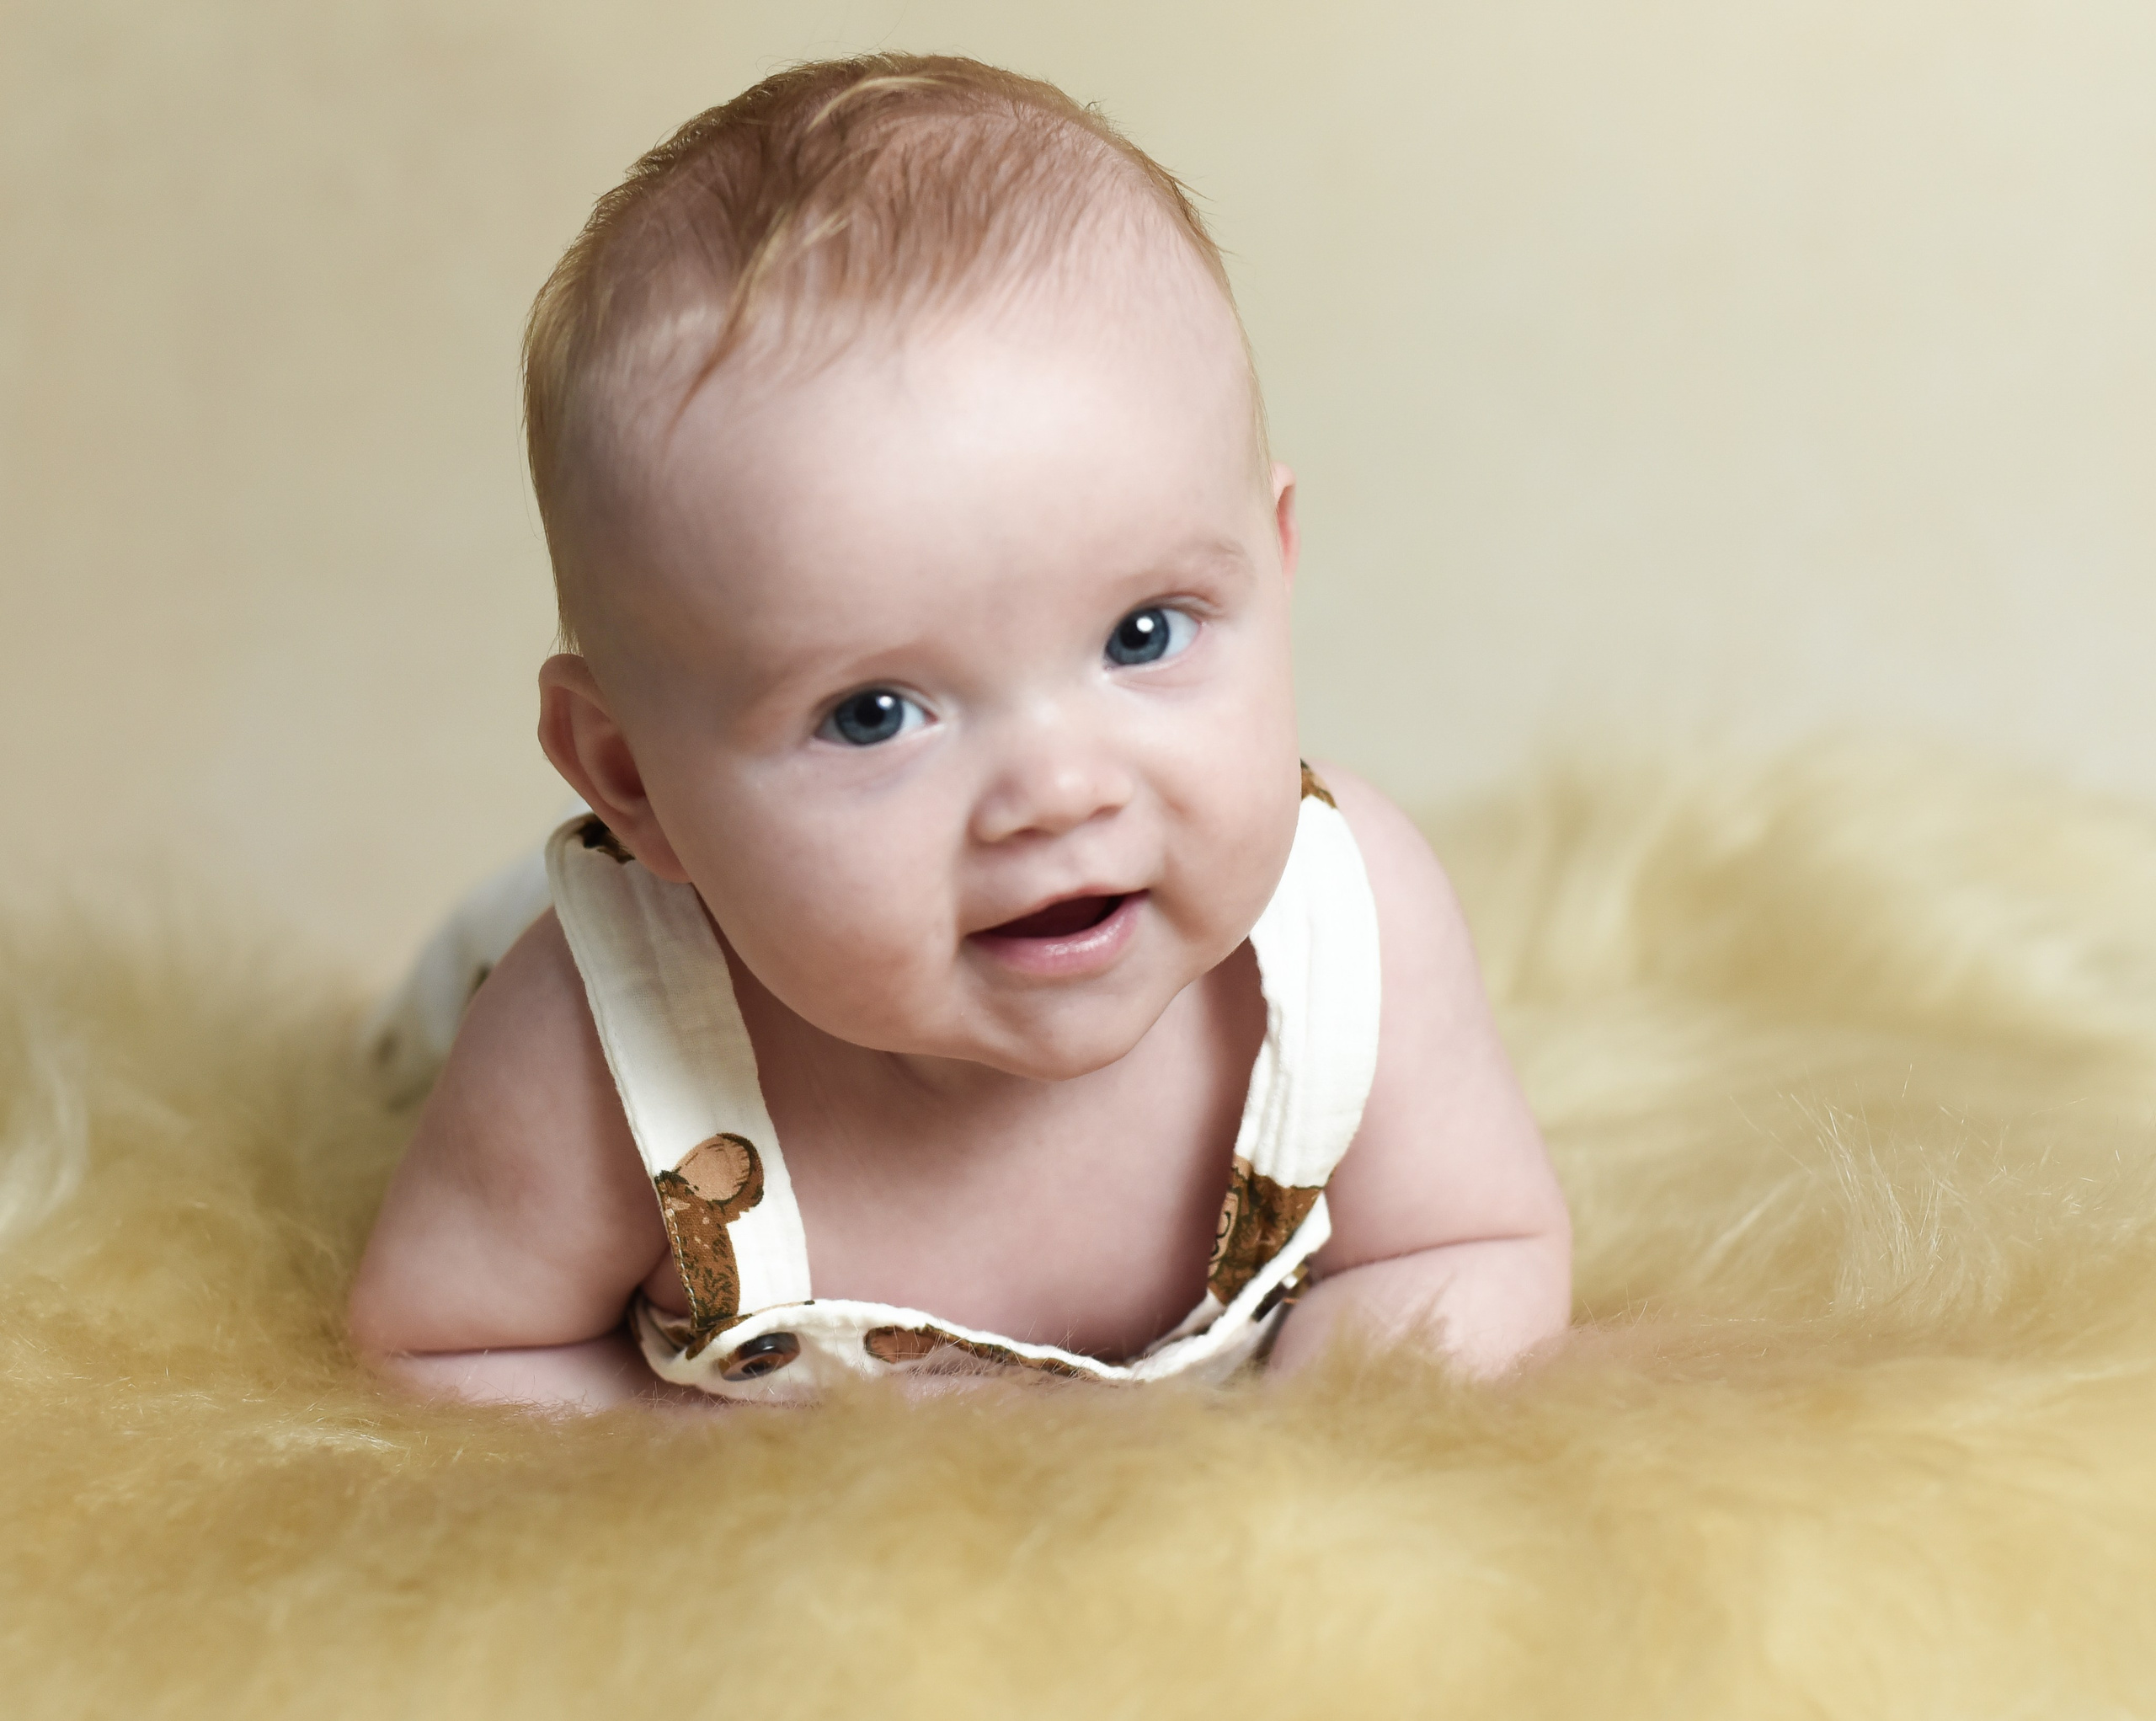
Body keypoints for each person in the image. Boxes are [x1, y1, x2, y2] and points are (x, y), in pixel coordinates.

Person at [346, 54, 1572, 1409]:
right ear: (631, 778)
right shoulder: (590, 1051)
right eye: (874, 716)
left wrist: (1273, 1486)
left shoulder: (1351, 927)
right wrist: (732, 1486)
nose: (1055, 792)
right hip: (618, 970)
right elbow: (447, 1349)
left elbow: (1470, 1244)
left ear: (1274, 570)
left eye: (1144, 636)